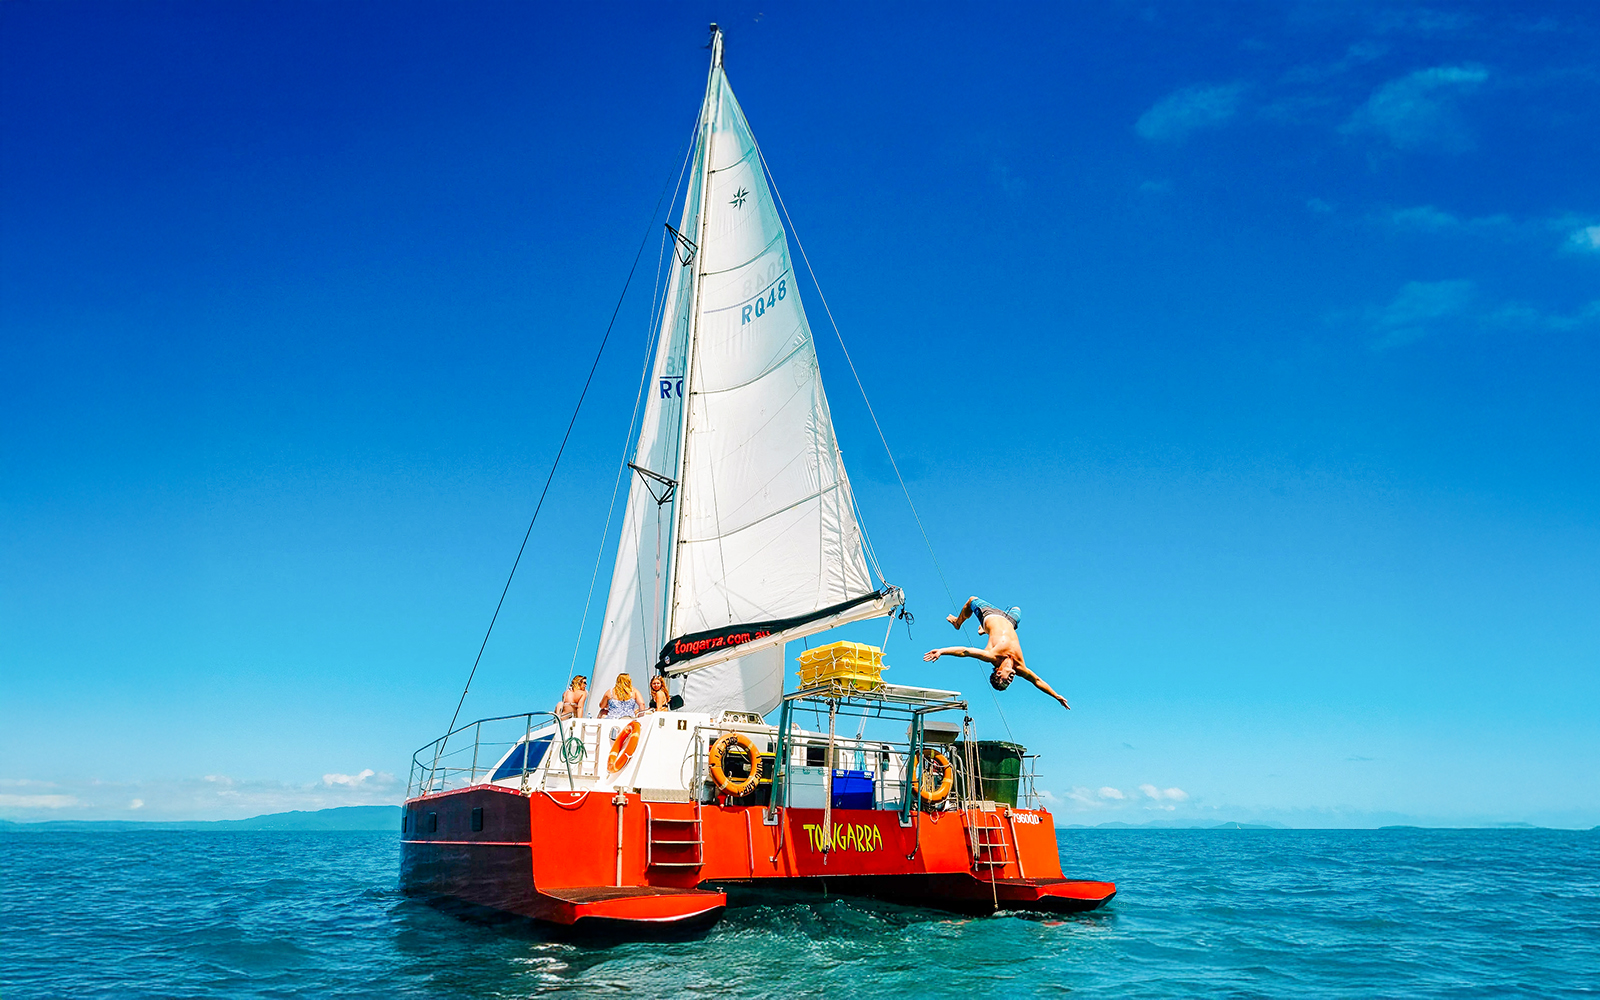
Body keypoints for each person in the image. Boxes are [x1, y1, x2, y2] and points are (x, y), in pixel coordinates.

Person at [924, 596, 1070, 710]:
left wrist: (942, 651)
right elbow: (1037, 681)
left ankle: (958, 623)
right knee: (1017, 608)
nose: (1011, 680)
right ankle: (985, 630)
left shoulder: (991, 656)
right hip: (1010, 620)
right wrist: (1056, 696)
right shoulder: (1020, 668)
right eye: (1009, 683)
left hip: (990, 614)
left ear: (998, 673)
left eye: (1005, 681)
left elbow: (965, 651)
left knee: (971, 600)